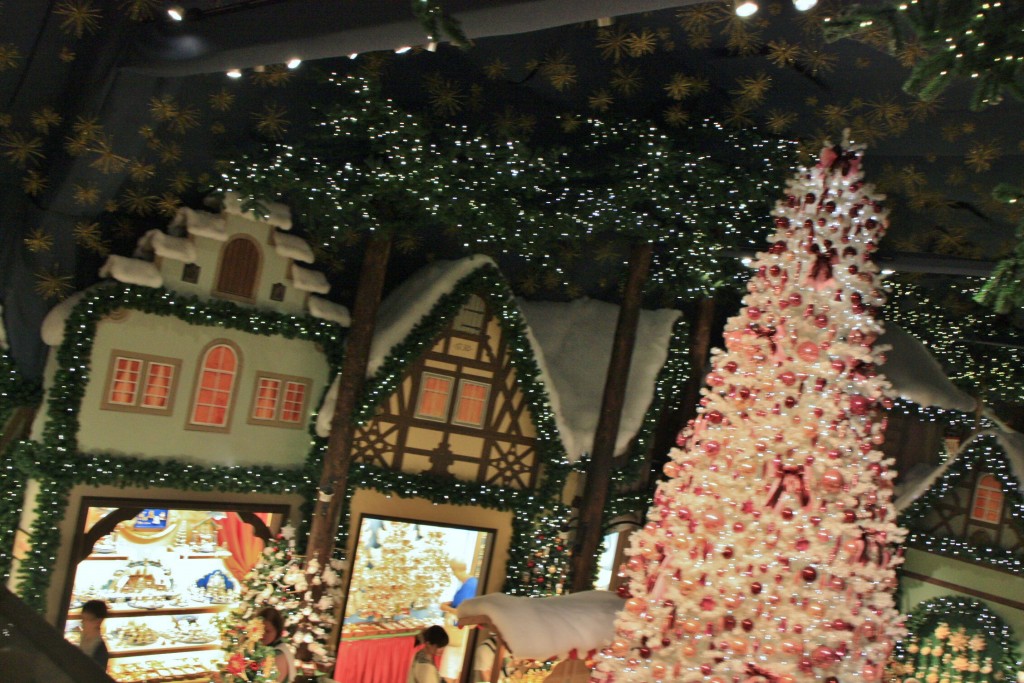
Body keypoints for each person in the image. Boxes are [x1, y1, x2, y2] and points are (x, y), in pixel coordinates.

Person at [259, 606, 295, 683]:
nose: (262, 634)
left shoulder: (278, 654)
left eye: (267, 631)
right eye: (260, 629)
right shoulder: (264, 648)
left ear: (277, 631)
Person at [78, 599, 109, 670]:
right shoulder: (84, 635)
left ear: (98, 621)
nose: (82, 622)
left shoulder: (100, 652)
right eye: (82, 618)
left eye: (86, 619)